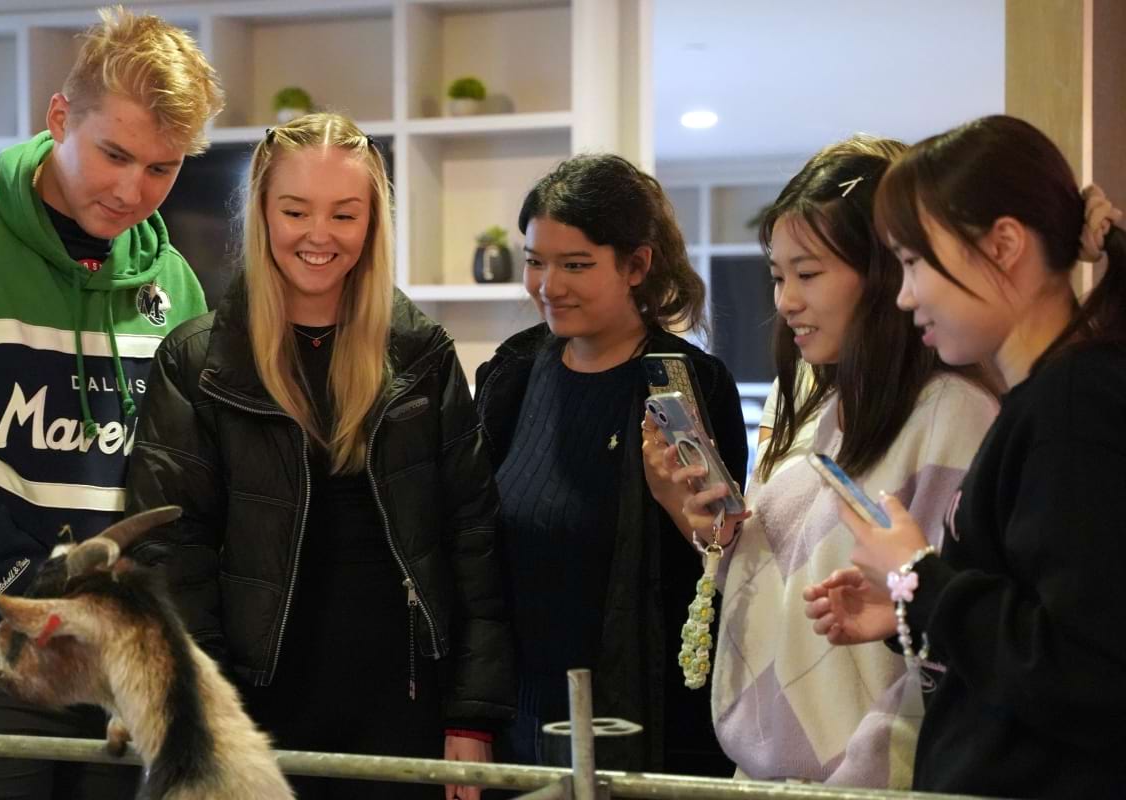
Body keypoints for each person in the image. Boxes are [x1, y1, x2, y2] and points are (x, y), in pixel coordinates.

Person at [125, 112, 515, 800]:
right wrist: (206, 719)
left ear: (372, 223)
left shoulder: (420, 354)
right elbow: (169, 553)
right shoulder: (197, 361)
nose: (319, 235)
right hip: (252, 709)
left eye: (344, 213)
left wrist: (472, 714)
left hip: (404, 704)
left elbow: (472, 536)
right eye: (296, 210)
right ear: (262, 214)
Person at [0, 7, 223, 797]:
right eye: (114, 153)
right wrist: (41, 593)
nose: (133, 190)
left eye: (162, 168)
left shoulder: (177, 284)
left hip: (117, 670)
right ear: (60, 118)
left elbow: (176, 481)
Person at [650, 136, 998, 787]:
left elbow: (942, 647)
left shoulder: (951, 416)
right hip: (761, 772)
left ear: (887, 270)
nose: (785, 301)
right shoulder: (820, 400)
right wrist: (698, 519)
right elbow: (776, 600)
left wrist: (860, 778)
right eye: (778, 276)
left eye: (808, 274)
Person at [805, 114, 1126, 797]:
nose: (904, 294)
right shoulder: (1045, 401)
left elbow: (1084, 672)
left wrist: (919, 578)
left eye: (916, 262)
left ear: (1004, 244)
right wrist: (908, 607)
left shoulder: (1072, 405)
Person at [474, 153, 747, 774]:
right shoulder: (513, 373)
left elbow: (726, 553)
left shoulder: (685, 385)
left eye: (576, 265)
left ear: (636, 266)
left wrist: (677, 503)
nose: (549, 285)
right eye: (535, 262)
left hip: (645, 720)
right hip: (520, 717)